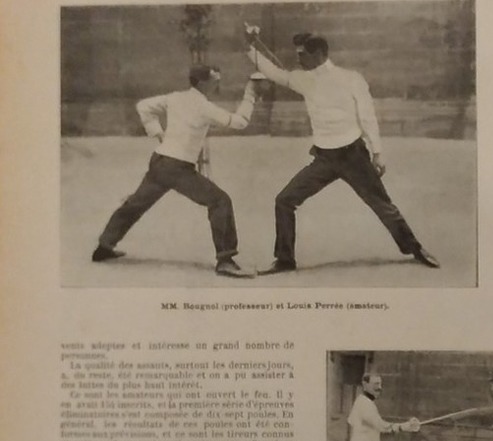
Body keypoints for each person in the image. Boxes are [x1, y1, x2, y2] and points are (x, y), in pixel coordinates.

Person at [247, 30, 440, 273]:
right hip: (324, 158)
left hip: (353, 156)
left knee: (382, 205)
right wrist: (250, 47)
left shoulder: (351, 79)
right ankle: (285, 260)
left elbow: (367, 116)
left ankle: (414, 248)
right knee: (284, 201)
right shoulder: (302, 79)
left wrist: (377, 152)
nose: (298, 60)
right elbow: (273, 73)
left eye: (302, 54)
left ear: (318, 53)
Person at [91, 64, 257, 278]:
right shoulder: (204, 107)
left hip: (159, 161)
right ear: (203, 82)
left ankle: (103, 247)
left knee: (135, 204)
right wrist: (251, 94)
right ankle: (225, 260)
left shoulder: (175, 98)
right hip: (178, 168)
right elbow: (240, 122)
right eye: (216, 80)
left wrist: (157, 133)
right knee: (220, 201)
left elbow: (143, 106)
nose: (218, 84)